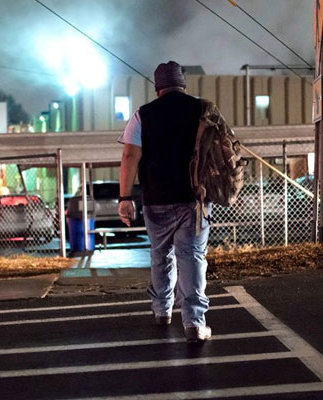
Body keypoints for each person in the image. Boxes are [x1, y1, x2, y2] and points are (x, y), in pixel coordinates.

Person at [118, 61, 214, 342]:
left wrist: (125, 197)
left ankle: (162, 310)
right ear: (183, 84)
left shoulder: (143, 115)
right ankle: (195, 323)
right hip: (194, 199)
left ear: (157, 87)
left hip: (156, 199)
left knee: (161, 255)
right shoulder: (201, 109)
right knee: (192, 257)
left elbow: (130, 156)